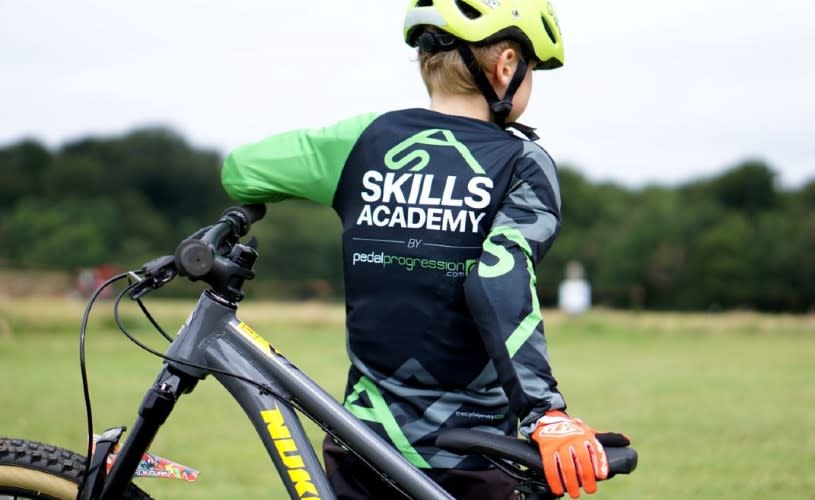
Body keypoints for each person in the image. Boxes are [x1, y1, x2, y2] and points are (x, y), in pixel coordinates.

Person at [220, 1, 629, 498]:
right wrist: (547, 413)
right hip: (469, 458)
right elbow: (498, 278)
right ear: (505, 66)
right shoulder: (521, 162)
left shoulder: (362, 141)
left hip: (361, 450)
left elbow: (241, 171)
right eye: (532, 71)